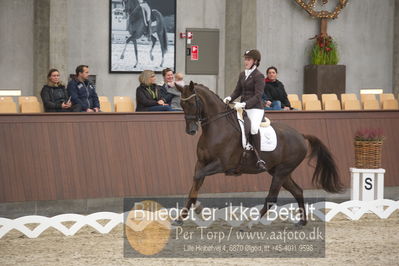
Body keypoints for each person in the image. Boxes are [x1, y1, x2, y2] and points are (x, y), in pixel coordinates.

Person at [223, 49, 267, 171]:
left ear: (255, 61)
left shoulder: (259, 76)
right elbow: (238, 90)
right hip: (243, 106)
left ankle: (259, 158)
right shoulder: (243, 74)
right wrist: (230, 97)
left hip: (255, 108)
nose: (245, 61)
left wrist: (244, 104)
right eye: (245, 59)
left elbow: (258, 96)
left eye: (248, 59)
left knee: (253, 128)